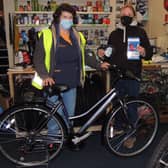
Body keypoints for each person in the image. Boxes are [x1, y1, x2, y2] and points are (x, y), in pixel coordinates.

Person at [33, 3, 109, 130]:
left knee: (69, 117)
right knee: (54, 119)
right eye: (65, 17)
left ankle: (67, 141)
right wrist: (45, 76)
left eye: (70, 17)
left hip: (71, 82)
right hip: (53, 82)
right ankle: (53, 144)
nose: (68, 20)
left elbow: (84, 54)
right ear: (58, 17)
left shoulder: (76, 36)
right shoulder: (47, 35)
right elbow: (38, 58)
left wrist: (98, 64)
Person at [98, 4, 153, 148]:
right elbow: (109, 54)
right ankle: (119, 129)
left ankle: (132, 135)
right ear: (120, 16)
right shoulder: (114, 34)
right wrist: (102, 54)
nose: (126, 16)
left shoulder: (140, 32)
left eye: (129, 13)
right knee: (117, 105)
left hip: (133, 75)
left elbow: (149, 53)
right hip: (117, 76)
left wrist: (143, 52)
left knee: (131, 107)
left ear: (133, 16)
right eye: (123, 14)